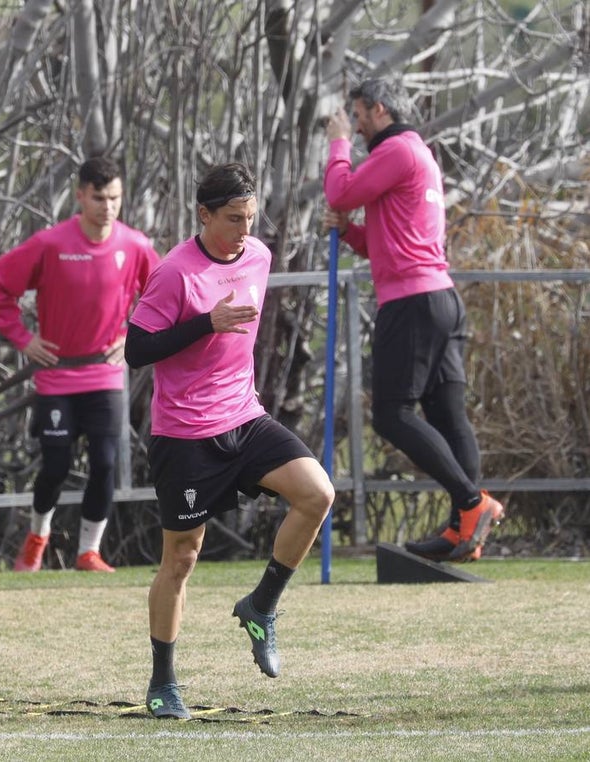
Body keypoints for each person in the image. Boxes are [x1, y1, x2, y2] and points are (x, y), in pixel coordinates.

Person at [125, 163, 334, 719]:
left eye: (250, 217)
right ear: (204, 215)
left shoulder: (260, 256)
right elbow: (137, 351)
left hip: (244, 417)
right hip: (186, 435)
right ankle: (163, 682)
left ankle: (261, 605)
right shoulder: (175, 272)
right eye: (234, 219)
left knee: (317, 493)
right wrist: (206, 323)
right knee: (181, 559)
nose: (246, 229)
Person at [324, 78, 504, 563]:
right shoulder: (416, 153)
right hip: (439, 298)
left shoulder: (397, 152)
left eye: (358, 115)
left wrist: (337, 142)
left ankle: (471, 503)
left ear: (378, 109)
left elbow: (339, 191)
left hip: (412, 304)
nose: (356, 125)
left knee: (391, 414)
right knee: (446, 415)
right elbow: (389, 241)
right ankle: (462, 532)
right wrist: (352, 234)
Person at [0, 156, 160, 573]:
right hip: (57, 376)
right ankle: (36, 539)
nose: (108, 206)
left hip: (105, 374)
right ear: (80, 196)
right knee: (56, 464)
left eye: (115, 197)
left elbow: (164, 295)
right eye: (99, 198)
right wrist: (24, 339)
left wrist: (134, 334)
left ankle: (88, 552)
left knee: (104, 463)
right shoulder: (50, 244)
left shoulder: (136, 245)